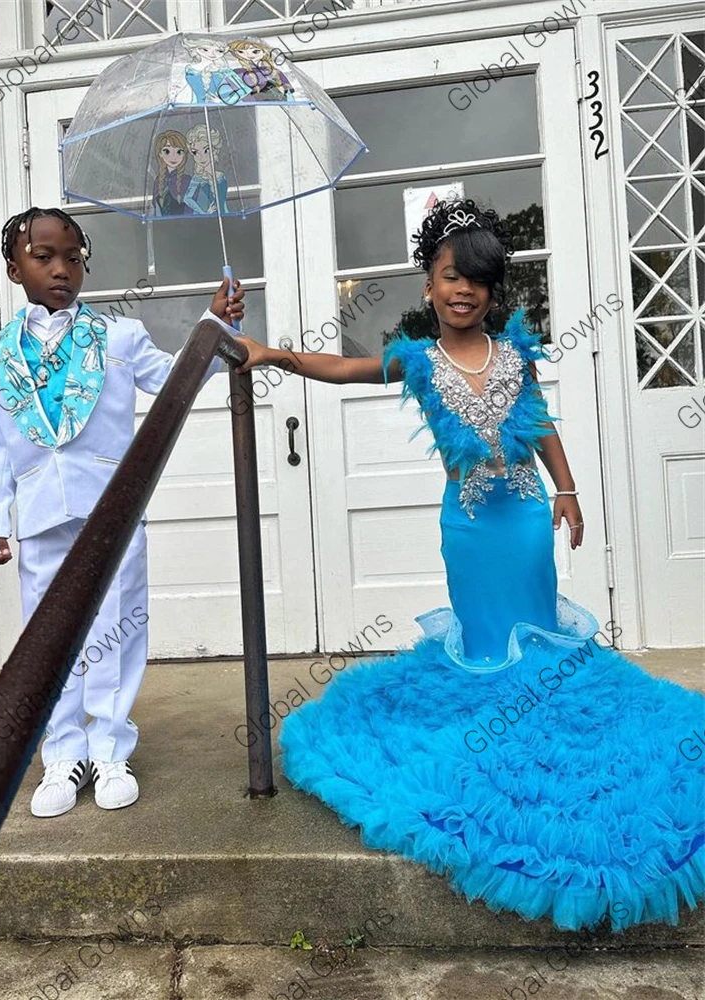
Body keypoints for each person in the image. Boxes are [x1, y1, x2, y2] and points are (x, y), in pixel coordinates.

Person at [234, 199, 704, 931]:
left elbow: (542, 425)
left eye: (477, 281)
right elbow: (349, 367)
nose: (463, 291)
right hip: (468, 526)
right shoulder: (417, 360)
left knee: (539, 629)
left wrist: (570, 493)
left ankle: (547, 730)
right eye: (451, 277)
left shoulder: (515, 356)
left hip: (522, 519)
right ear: (429, 286)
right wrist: (275, 355)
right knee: (486, 640)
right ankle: (495, 733)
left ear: (491, 293)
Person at [0, 207, 243, 818]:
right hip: (41, 512)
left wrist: (210, 324)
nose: (61, 269)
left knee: (117, 626)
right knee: (48, 635)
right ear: (16, 270)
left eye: (73, 257)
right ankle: (63, 752)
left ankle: (110, 743)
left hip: (112, 509)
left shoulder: (118, 338)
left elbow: (177, 379)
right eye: (43, 257)